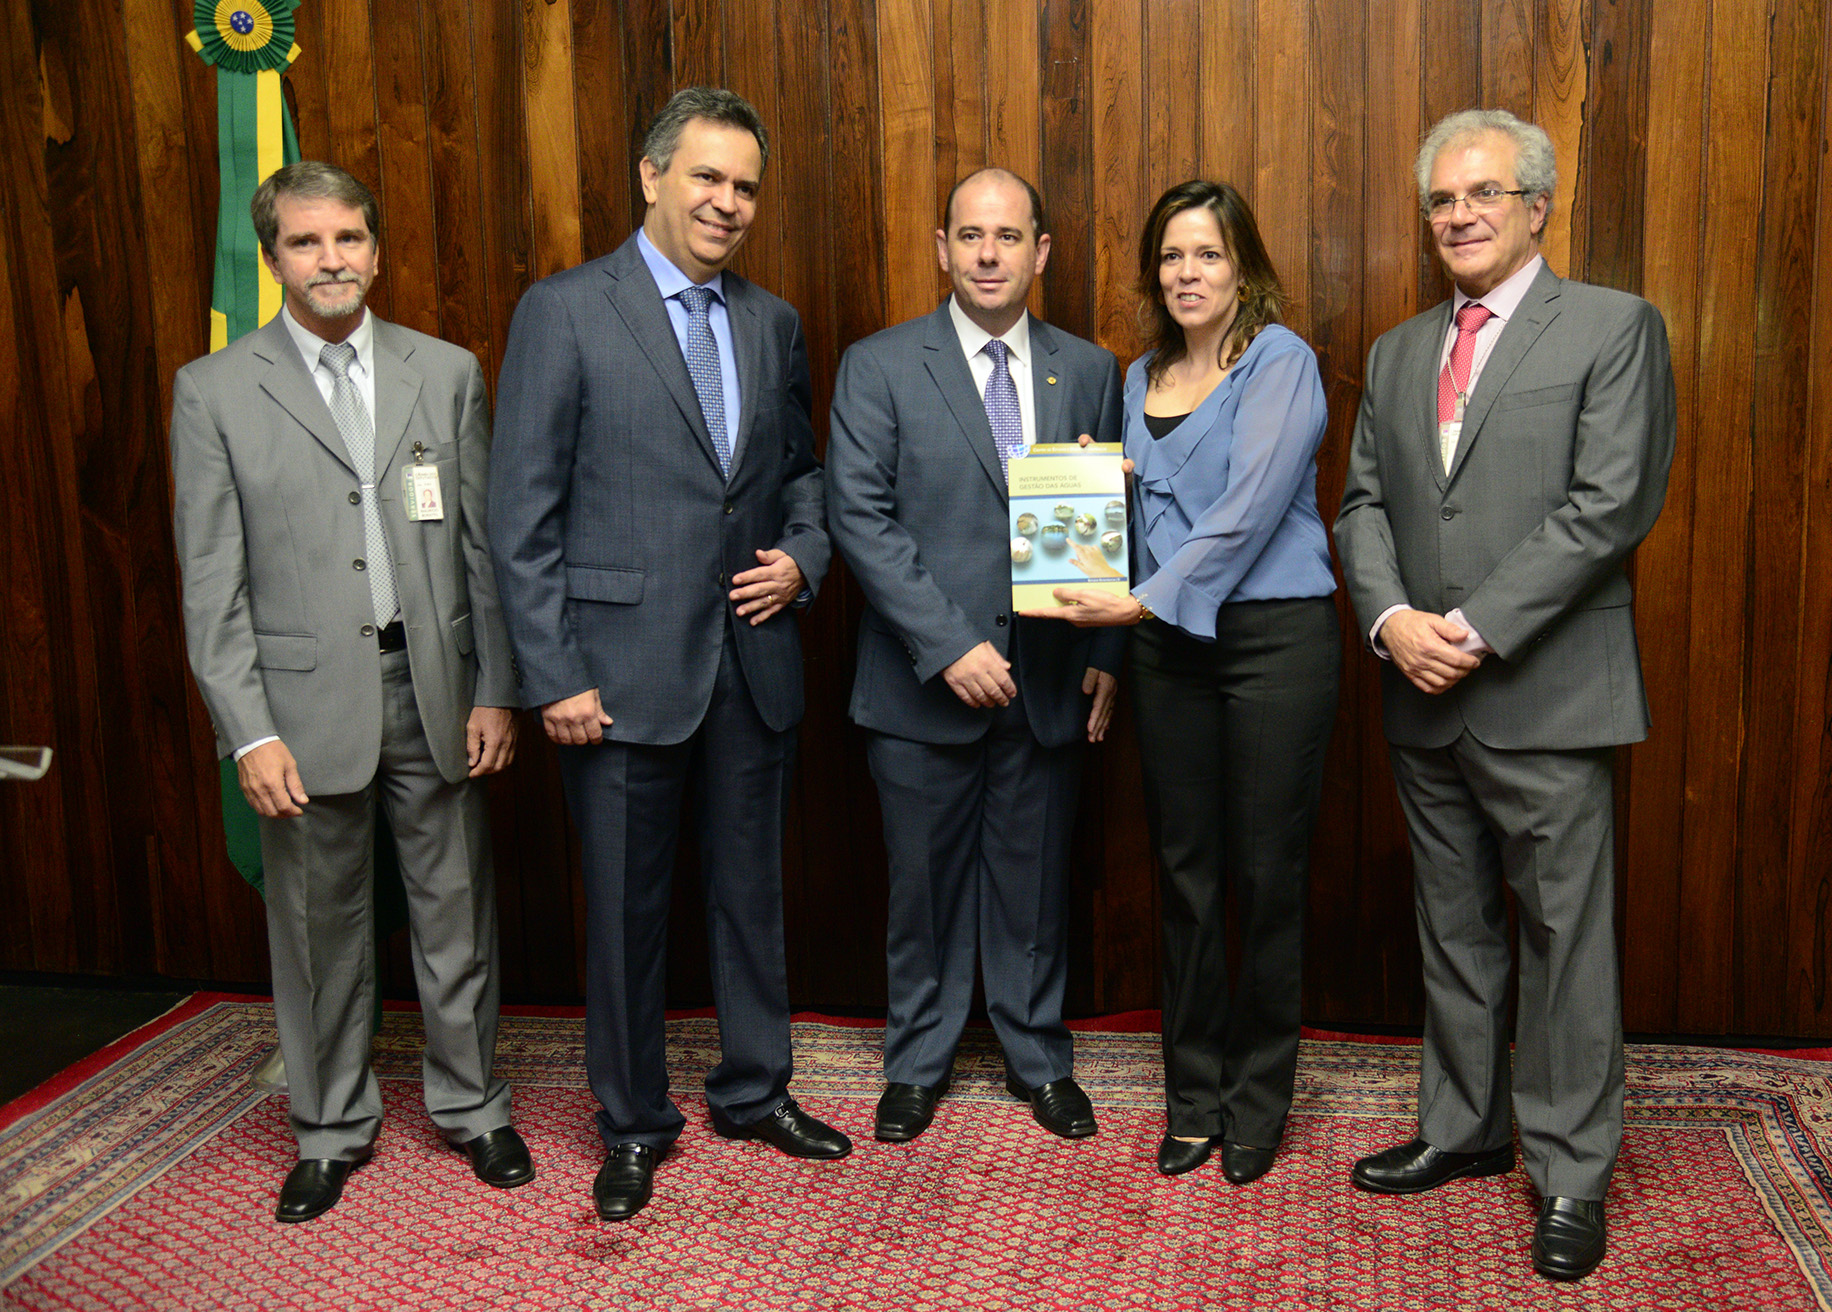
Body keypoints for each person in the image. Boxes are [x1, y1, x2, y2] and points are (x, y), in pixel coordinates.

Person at [487, 87, 844, 1224]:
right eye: (706, 177)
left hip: (750, 659)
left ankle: (753, 1089)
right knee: (628, 915)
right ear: (651, 178)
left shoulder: (772, 321)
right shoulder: (565, 311)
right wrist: (552, 675)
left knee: (750, 899)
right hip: (615, 676)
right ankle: (634, 1121)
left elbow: (802, 473)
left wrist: (801, 553)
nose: (727, 203)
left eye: (744, 185)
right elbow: (520, 514)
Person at [1334, 108, 1675, 1281]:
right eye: (1440, 200)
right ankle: (1462, 1126)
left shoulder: (1613, 327)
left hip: (1545, 689)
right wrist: (1389, 623)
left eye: (1481, 194)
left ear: (1537, 206)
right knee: (1454, 924)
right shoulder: (1393, 351)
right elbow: (1362, 505)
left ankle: (1571, 1170)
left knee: (1563, 938)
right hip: (1418, 690)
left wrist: (1466, 632)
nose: (1458, 216)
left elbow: (1608, 503)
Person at [170, 161, 529, 1223]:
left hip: (437, 686)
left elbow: (481, 552)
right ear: (273, 256)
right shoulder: (215, 390)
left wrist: (498, 689)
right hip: (302, 705)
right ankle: (329, 1127)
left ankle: (473, 1107)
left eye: (349, 240)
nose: (332, 261)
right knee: (319, 928)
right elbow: (210, 584)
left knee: (456, 913)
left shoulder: (446, 371)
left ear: (375, 248)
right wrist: (249, 732)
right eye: (306, 243)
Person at [1021, 179, 1342, 1186]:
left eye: (1206, 254)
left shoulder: (1279, 361)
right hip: (1165, 653)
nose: (1187, 273)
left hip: (1271, 645)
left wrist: (1136, 607)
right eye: (1170, 256)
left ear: (1242, 265)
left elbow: (1243, 514)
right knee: (1187, 878)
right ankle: (1193, 1095)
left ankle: (1256, 1102)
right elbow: (1135, 524)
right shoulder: (1136, 375)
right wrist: (1087, 496)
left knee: (1265, 881)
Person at [826, 169, 1123, 1144]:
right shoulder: (877, 365)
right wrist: (946, 643)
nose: (988, 253)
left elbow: (1119, 521)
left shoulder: (1087, 368)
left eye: (1008, 236)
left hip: (1045, 681)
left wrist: (1108, 653)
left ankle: (1037, 1056)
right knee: (920, 887)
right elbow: (859, 520)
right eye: (969, 235)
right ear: (940, 247)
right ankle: (916, 1063)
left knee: (1033, 883)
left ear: (1040, 251)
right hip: (922, 685)